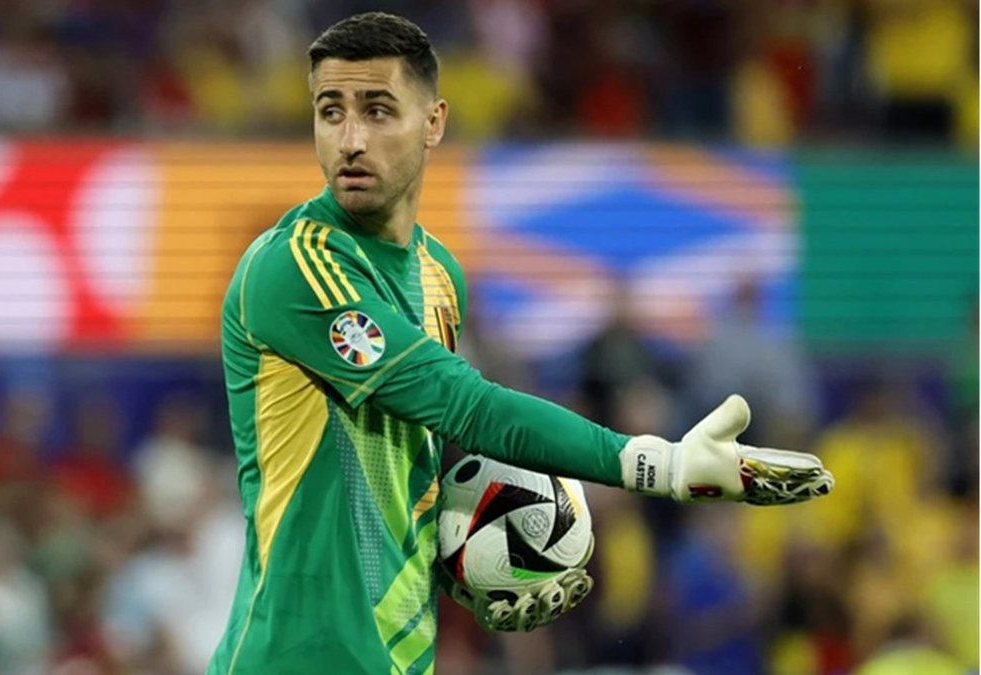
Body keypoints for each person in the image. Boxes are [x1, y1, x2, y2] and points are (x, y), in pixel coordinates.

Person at [210, 12, 834, 675]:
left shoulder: (439, 277)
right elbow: (466, 407)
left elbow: (404, 478)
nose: (351, 139)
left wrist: (475, 560)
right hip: (292, 659)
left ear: (434, 122)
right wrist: (660, 463)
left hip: (398, 659)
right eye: (330, 111)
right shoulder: (294, 266)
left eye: (378, 110)